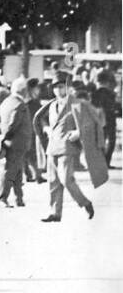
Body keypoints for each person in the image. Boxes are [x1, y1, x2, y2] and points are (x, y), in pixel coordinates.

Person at [36, 76, 105, 222]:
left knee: (66, 180)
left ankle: (85, 203)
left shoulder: (77, 104)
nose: (58, 90)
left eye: (61, 86)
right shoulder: (52, 105)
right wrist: (46, 128)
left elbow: (92, 122)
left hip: (67, 147)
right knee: (53, 181)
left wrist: (78, 133)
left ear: (67, 88)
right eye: (55, 87)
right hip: (52, 147)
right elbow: (40, 118)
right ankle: (55, 213)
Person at [0, 77, 33, 208]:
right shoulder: (20, 105)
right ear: (23, 91)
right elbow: (14, 123)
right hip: (17, 143)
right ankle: (2, 198)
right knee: (11, 171)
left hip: (10, 143)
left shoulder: (6, 102)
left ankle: (19, 198)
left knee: (17, 171)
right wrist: (6, 136)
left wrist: (3, 137)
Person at [91, 69, 117, 166]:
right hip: (110, 120)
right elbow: (114, 107)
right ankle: (106, 162)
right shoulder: (111, 94)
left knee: (100, 141)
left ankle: (100, 162)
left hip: (98, 121)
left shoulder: (94, 94)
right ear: (107, 82)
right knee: (111, 141)